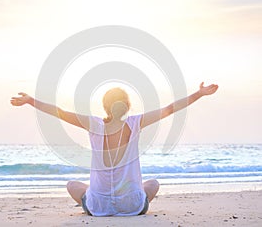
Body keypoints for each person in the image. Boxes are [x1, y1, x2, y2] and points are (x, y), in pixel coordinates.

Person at [11, 82, 218, 216]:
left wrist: (30, 101)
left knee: (72, 185)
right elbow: (170, 109)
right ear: (127, 106)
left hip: (98, 206)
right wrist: (199, 93)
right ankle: (119, 199)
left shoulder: (93, 124)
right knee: (153, 184)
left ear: (105, 106)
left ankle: (99, 199)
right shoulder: (136, 122)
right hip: (132, 206)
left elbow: (60, 112)